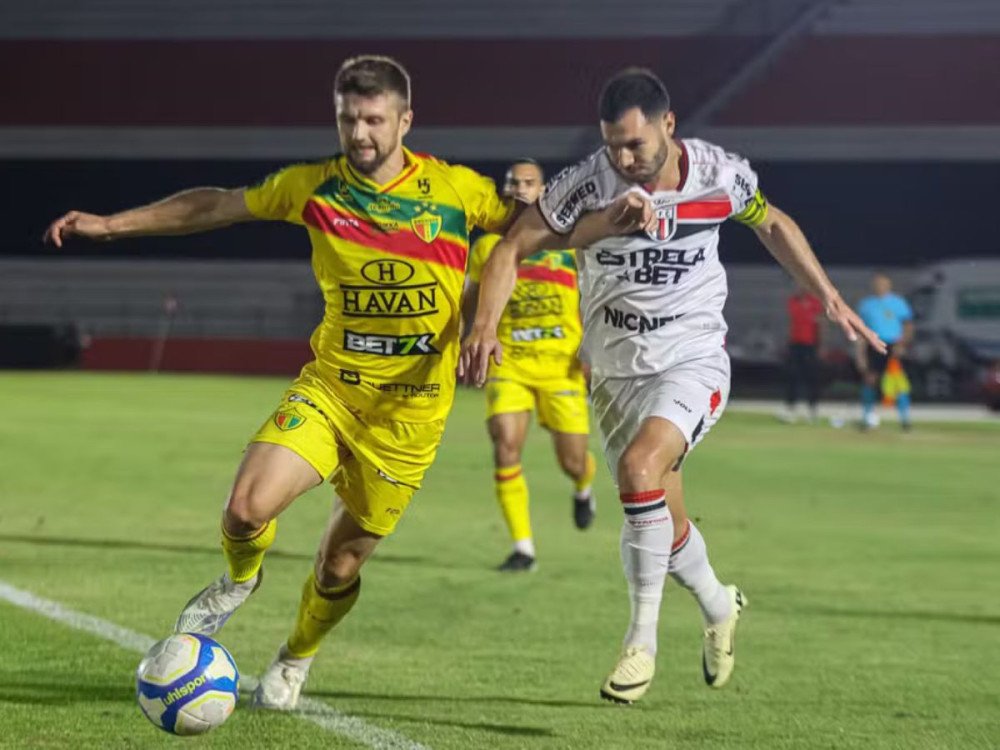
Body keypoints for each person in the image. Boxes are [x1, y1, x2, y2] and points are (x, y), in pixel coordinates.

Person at [44, 55, 522, 711]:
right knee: (245, 509)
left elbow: (528, 231)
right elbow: (215, 205)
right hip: (331, 390)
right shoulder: (313, 187)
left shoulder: (456, 191)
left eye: (374, 120)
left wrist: (487, 319)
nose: (359, 134)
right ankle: (239, 581)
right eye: (348, 119)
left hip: (409, 416)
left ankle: (295, 657)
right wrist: (110, 224)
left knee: (339, 566)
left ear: (405, 120)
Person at [460, 67, 884, 704]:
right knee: (665, 513)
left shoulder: (718, 173)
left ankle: (640, 642)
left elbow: (771, 222)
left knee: (638, 467)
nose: (623, 158)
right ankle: (719, 604)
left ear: (669, 126)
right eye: (612, 145)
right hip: (615, 373)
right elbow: (509, 248)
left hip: (693, 359)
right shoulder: (587, 185)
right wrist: (486, 326)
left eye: (635, 143)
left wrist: (826, 296)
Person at [464, 159, 597, 572]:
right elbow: (469, 300)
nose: (518, 188)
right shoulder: (487, 248)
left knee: (572, 461)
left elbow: (593, 299)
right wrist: (459, 339)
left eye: (527, 183)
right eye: (512, 182)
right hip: (511, 363)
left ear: (543, 191)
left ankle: (582, 487)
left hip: (562, 368)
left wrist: (593, 351)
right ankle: (524, 548)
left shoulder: (568, 246)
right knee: (505, 443)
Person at [855, 273, 914, 430]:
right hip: (873, 344)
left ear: (889, 285)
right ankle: (867, 417)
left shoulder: (898, 303)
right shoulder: (866, 305)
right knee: (870, 380)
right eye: (877, 283)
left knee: (898, 383)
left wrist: (902, 344)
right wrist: (860, 354)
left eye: (883, 283)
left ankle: (905, 419)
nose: (880, 286)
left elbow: (908, 325)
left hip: (893, 345)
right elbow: (861, 331)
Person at [781, 284, 824, 423]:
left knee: (811, 377)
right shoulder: (792, 302)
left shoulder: (815, 303)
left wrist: (821, 345)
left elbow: (820, 325)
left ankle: (812, 409)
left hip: (810, 345)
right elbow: (790, 323)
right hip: (795, 344)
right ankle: (790, 408)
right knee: (792, 376)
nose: (800, 289)